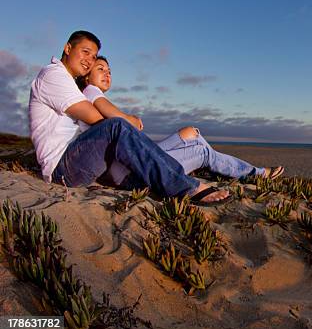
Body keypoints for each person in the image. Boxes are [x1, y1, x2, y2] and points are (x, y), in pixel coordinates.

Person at [28, 30, 229, 204]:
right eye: (85, 52)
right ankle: (186, 188)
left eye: (93, 56)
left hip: (75, 160)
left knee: (122, 133)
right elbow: (95, 118)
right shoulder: (53, 75)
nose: (89, 60)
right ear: (67, 48)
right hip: (63, 169)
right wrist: (127, 124)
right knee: (116, 126)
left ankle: (171, 176)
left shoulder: (67, 80)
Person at [75, 56, 285, 185]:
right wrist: (132, 118)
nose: (107, 74)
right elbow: (122, 121)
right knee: (201, 150)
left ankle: (221, 165)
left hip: (131, 162)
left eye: (110, 71)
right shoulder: (91, 92)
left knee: (192, 134)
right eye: (100, 69)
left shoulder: (91, 95)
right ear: (86, 76)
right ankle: (255, 173)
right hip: (131, 171)